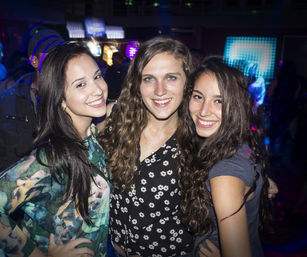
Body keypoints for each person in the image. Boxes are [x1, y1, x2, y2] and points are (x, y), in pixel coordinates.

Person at [0, 42, 111, 256]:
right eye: (80, 85)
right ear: (60, 98)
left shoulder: (92, 136)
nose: (97, 89)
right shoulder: (51, 158)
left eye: (97, 76)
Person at [99, 36, 195, 256]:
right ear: (137, 84)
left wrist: (255, 180)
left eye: (171, 77)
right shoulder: (114, 119)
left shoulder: (198, 138)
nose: (159, 90)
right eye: (149, 78)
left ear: (187, 81)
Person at [179, 56, 271, 257]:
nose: (204, 111)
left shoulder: (224, 174)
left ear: (235, 105)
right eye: (198, 96)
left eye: (218, 101)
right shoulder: (236, 141)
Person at [0, 26, 64, 171]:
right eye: (51, 53)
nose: (58, 59)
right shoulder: (6, 102)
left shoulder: (71, 98)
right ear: (34, 60)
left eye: (61, 54)